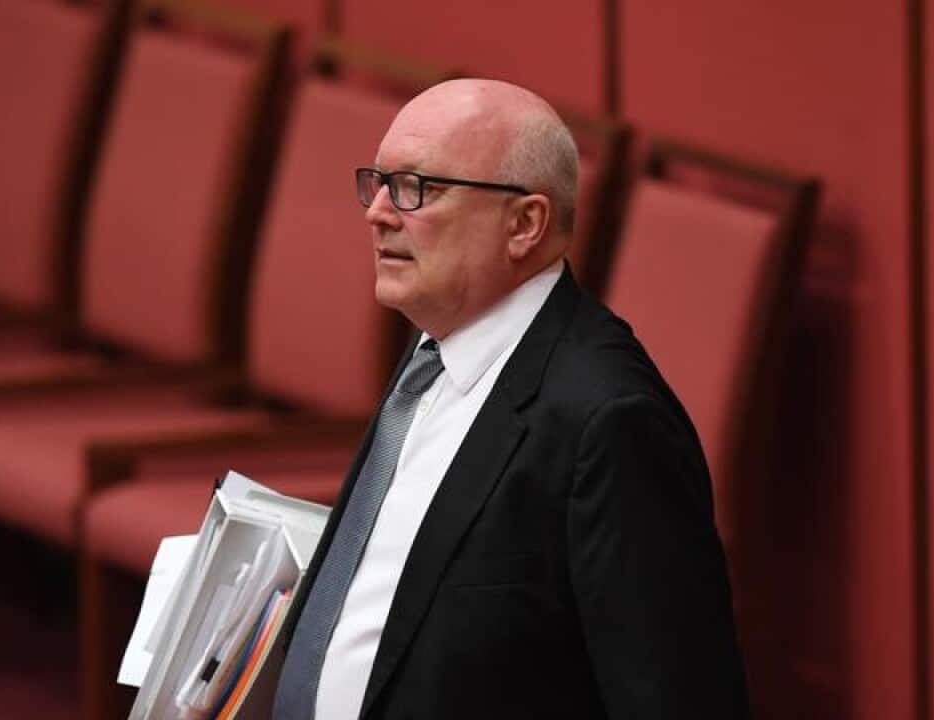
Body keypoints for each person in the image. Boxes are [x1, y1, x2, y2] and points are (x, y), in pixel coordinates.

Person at [272, 78, 749, 719]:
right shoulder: (436, 348)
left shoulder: (609, 422)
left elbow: (677, 699)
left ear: (524, 223)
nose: (379, 211)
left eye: (419, 188)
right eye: (378, 182)